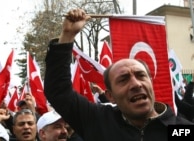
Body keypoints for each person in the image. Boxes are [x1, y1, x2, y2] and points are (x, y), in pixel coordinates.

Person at [44, 8, 194, 141]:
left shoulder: (181, 130)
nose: (136, 84)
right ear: (110, 95)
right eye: (123, 79)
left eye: (141, 75)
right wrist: (68, 35)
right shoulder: (98, 121)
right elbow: (58, 91)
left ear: (151, 83)